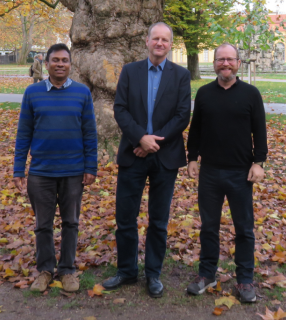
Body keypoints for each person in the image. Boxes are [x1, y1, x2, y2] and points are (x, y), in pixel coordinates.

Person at [102, 22, 191, 298]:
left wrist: (152, 143)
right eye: (156, 38)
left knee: (159, 220)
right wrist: (140, 138)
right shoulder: (130, 71)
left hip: (165, 158)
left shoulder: (181, 75)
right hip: (133, 154)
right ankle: (127, 271)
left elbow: (182, 116)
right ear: (147, 40)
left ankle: (153, 274)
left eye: (165, 39)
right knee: (125, 218)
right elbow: (120, 109)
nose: (160, 43)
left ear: (170, 44)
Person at [186, 43, 268, 302]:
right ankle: (207, 273)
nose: (225, 64)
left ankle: (245, 280)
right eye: (220, 60)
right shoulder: (204, 93)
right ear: (214, 64)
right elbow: (196, 128)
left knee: (244, 228)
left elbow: (260, 131)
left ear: (238, 63)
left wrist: (259, 162)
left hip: (240, 173)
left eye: (230, 60)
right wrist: (192, 158)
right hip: (209, 172)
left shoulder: (251, 94)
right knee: (208, 227)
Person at [13, 43, 98, 293]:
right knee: (43, 224)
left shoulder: (82, 93)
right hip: (41, 172)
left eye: (64, 60)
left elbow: (90, 133)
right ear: (46, 63)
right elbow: (23, 133)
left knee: (71, 222)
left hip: (73, 172)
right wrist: (19, 169)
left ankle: (68, 269)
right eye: (55, 60)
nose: (60, 64)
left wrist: (90, 167)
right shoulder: (33, 93)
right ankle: (45, 269)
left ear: (70, 64)